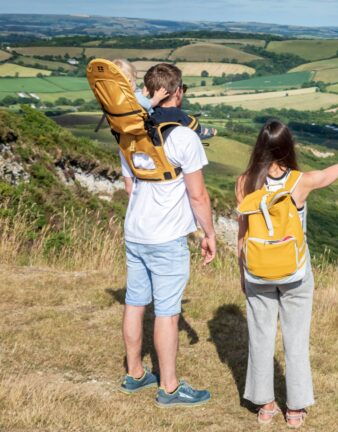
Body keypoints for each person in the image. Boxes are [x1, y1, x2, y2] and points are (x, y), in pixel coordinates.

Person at [235, 120, 338, 428]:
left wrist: (242, 273)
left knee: (260, 336)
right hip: (295, 272)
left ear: (259, 148)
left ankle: (265, 405)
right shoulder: (301, 181)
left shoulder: (244, 183)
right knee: (296, 338)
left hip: (257, 271)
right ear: (288, 148)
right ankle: (294, 410)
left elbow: (242, 234)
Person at [118, 62, 217, 408]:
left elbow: (129, 185)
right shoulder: (185, 136)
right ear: (177, 92)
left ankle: (134, 374)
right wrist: (209, 233)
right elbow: (198, 195)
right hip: (167, 235)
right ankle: (170, 387)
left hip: (136, 229)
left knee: (134, 302)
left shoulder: (129, 131)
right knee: (167, 312)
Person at [144, 67, 218, 140]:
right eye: (184, 89)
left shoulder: (145, 113)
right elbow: (199, 131)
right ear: (178, 92)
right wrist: (209, 131)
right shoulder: (180, 116)